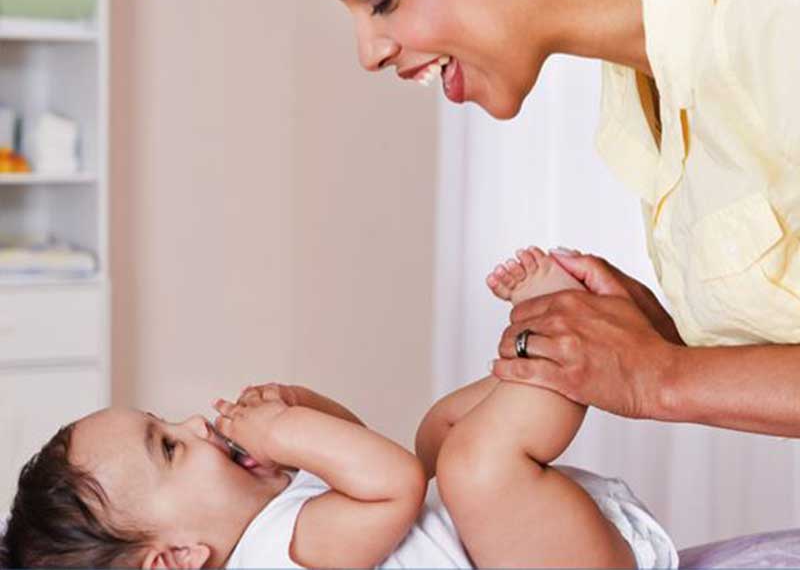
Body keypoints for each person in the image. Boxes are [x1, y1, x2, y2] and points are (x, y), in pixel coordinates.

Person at [294, 0, 800, 436]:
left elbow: (662, 380)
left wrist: (660, 377)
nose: (368, 53)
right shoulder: (642, 82)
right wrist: (656, 340)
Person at [0, 248, 677, 569]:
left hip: (523, 545)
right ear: (175, 558)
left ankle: (543, 357)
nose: (193, 423)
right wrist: (289, 431)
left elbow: (363, 452)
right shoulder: (273, 559)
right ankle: (557, 347)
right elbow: (394, 487)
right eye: (169, 447)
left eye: (165, 419)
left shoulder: (277, 526)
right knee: (472, 461)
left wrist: (301, 410)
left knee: (437, 431)